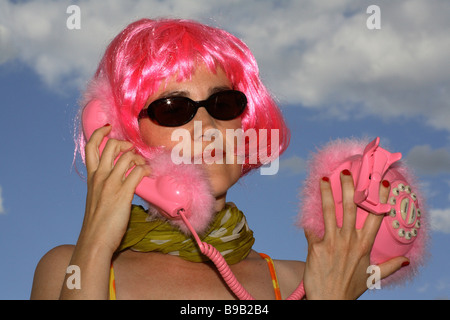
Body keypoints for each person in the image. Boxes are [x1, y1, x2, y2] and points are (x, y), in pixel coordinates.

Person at [30, 18, 408, 300]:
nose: (208, 125)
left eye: (222, 104)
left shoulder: (304, 282)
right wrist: (95, 241)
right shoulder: (71, 269)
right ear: (124, 135)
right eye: (174, 109)